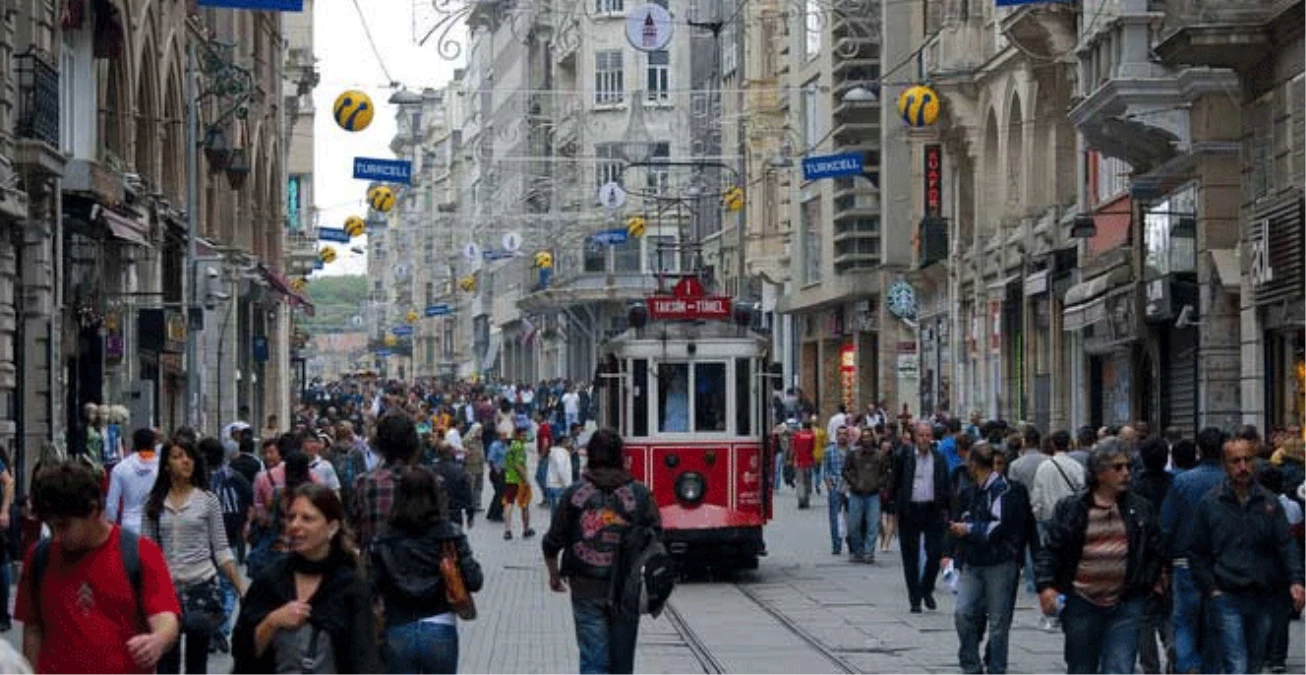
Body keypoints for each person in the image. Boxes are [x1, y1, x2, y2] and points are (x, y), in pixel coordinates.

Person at [15, 460, 181, 674]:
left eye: (64, 525)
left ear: (93, 510)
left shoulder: (140, 553)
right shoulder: (40, 557)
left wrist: (158, 640)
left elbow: (165, 615)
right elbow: (33, 627)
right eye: (51, 526)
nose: (56, 535)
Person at [1035, 439, 1164, 675]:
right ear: (1099, 473)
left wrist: (1147, 583)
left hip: (1125, 603)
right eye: (1117, 468)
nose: (1126, 473)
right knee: (1081, 667)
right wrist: (1046, 586)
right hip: (1082, 602)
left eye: (1127, 466)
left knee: (1119, 668)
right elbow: (1051, 548)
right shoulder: (1073, 508)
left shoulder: (1140, 509)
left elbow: (1155, 549)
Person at [542, 429, 661, 675]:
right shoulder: (640, 494)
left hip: (586, 586)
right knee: (622, 662)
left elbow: (552, 541)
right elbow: (657, 539)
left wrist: (554, 574)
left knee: (593, 660)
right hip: (626, 589)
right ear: (621, 456)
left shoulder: (574, 494)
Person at [1189, 435, 1306, 675]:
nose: (1242, 467)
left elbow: (1285, 543)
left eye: (1247, 460)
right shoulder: (1211, 503)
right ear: (1225, 465)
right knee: (1237, 662)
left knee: (1253, 661)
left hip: (1261, 593)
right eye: (1235, 461)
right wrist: (1211, 587)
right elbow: (1197, 550)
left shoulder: (1269, 502)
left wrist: (1295, 580)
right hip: (1227, 592)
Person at [233, 484, 380, 673]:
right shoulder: (270, 581)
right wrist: (271, 622)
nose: (294, 526)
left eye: (307, 518)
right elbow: (243, 654)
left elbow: (364, 660)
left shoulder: (350, 587)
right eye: (291, 517)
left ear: (332, 528)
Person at [143, 438, 245, 674]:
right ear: (167, 464)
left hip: (202, 586)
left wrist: (240, 587)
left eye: (188, 456)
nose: (185, 461)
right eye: (177, 456)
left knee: (197, 661)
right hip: (166, 591)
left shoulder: (207, 500)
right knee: (167, 663)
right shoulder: (154, 504)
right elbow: (146, 551)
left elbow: (221, 549)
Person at [369, 467, 483, 674]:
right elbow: (475, 580)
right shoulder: (449, 534)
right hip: (440, 625)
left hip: (398, 626)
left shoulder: (383, 538)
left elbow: (370, 586)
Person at [949, 441, 1032, 675]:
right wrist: (954, 552)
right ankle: (971, 665)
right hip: (972, 562)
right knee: (963, 613)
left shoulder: (1004, 490)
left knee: (998, 622)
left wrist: (968, 529)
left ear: (973, 464)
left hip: (999, 563)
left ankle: (996, 668)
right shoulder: (971, 491)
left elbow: (997, 527)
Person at [1159, 427, 1228, 675]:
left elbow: (1168, 524)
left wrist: (1163, 562)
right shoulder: (1229, 481)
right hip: (1220, 564)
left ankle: (1188, 665)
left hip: (1184, 561)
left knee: (1185, 621)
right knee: (1214, 623)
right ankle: (1210, 668)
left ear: (1199, 448)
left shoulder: (1182, 481)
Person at [894, 421, 951, 612]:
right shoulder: (904, 456)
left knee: (935, 552)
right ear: (914, 437)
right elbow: (895, 482)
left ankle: (926, 587)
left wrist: (950, 511)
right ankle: (915, 599)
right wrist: (896, 506)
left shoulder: (939, 458)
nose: (925, 439)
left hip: (932, 509)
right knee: (910, 556)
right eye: (921, 435)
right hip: (910, 509)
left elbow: (946, 484)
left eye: (928, 435)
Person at [1131, 436, 1175, 675]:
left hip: (1143, 558)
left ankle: (1150, 666)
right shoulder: (1175, 484)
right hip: (1171, 555)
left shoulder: (1135, 486)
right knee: (1170, 610)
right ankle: (1171, 645)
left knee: (1145, 617)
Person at [350, 414, 419, 553]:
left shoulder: (364, 483)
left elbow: (355, 532)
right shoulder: (433, 483)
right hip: (421, 568)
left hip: (376, 566)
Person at [843, 427, 888, 563]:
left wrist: (878, 484)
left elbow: (885, 473)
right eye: (864, 437)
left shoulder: (879, 456)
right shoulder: (854, 454)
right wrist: (854, 482)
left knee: (872, 525)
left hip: (873, 494)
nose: (866, 440)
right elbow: (846, 470)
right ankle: (858, 551)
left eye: (869, 437)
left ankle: (869, 552)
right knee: (853, 525)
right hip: (856, 493)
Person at [106, 428, 162, 534]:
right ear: (153, 444)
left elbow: (111, 505)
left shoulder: (120, 468)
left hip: (129, 525)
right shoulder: (162, 468)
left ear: (134, 443)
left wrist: (111, 529)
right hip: (155, 523)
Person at [502, 425, 534, 540]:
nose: (525, 437)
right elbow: (518, 465)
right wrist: (526, 480)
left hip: (509, 478)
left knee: (508, 503)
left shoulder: (511, 446)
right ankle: (526, 529)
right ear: (517, 435)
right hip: (519, 480)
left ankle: (507, 530)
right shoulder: (519, 447)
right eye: (523, 435)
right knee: (524, 504)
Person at [823, 426, 851, 555]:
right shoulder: (829, 451)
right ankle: (836, 545)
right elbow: (826, 470)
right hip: (835, 486)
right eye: (839, 434)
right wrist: (829, 484)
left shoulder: (852, 451)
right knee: (835, 517)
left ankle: (852, 543)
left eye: (845, 434)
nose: (842, 436)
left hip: (850, 487)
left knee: (852, 517)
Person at [463, 423, 486, 524]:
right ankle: (470, 505)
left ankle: (477, 504)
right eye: (479, 430)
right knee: (471, 487)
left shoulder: (479, 440)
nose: (480, 433)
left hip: (479, 466)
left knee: (479, 486)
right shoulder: (467, 440)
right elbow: (463, 453)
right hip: (470, 466)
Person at [791, 421, 816, 509]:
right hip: (808, 461)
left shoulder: (797, 435)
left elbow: (794, 448)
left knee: (800, 482)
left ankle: (800, 499)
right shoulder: (812, 436)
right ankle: (806, 500)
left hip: (799, 461)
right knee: (807, 481)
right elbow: (812, 448)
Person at [546, 435, 574, 513]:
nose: (570, 444)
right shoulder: (560, 453)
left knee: (555, 511)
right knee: (559, 512)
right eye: (569, 442)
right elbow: (561, 469)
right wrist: (566, 485)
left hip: (553, 484)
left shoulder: (555, 452)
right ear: (563, 442)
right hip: (559, 486)